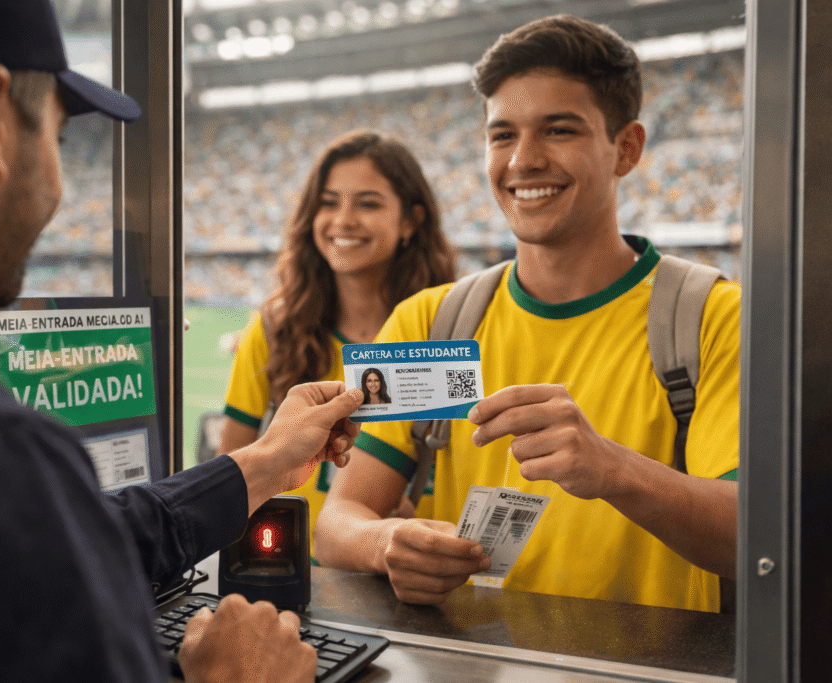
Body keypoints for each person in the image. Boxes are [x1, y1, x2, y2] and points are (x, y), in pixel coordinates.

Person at [0, 1, 365, 682]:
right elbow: (8, 522)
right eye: (59, 135)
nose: (59, 175)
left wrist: (262, 466)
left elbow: (31, 548)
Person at [314, 14, 740, 613]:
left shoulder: (711, 318)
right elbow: (337, 519)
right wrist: (385, 542)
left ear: (627, 148)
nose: (523, 160)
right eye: (502, 134)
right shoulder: (431, 322)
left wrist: (613, 469)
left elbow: (756, 536)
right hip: (469, 667)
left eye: (559, 130)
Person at [218, 129, 456, 542]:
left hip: (410, 579)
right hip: (292, 576)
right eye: (328, 203)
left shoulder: (452, 331)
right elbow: (232, 470)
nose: (343, 220)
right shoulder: (275, 330)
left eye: (367, 203)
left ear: (410, 222)